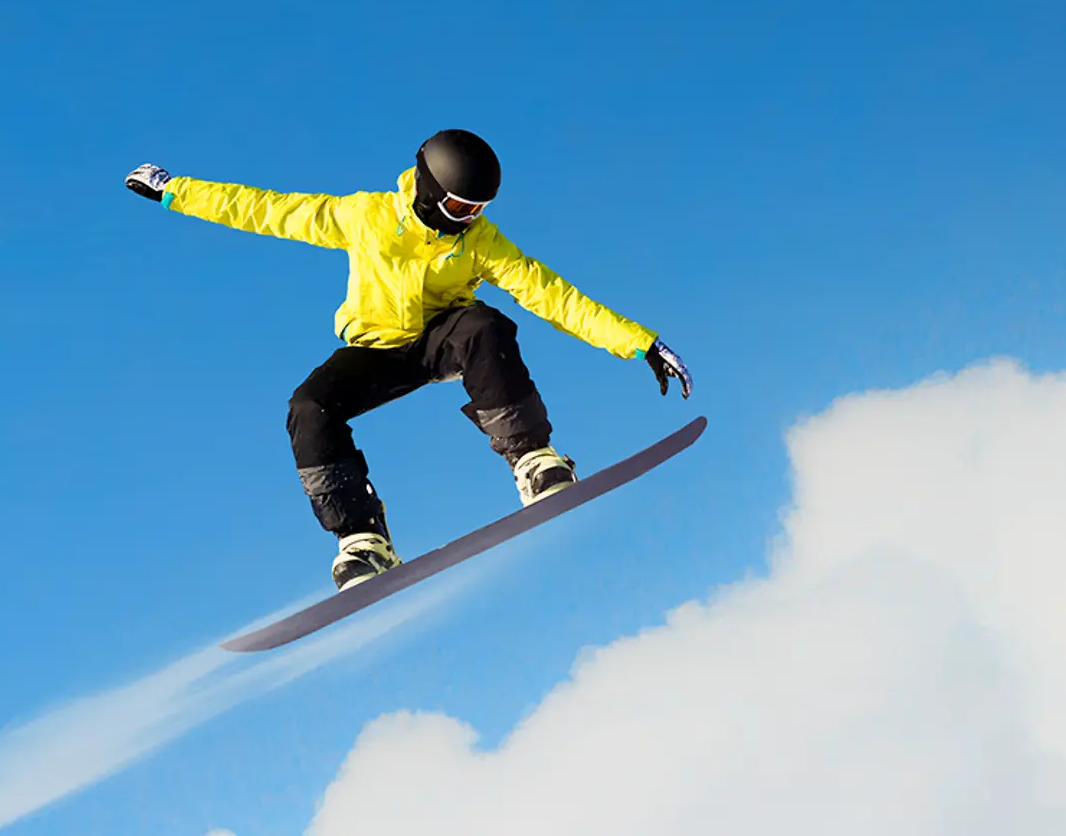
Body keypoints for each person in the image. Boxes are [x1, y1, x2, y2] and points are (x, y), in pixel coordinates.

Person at [125, 129, 692, 591]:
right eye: (458, 204)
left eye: (478, 208)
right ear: (426, 188)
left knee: (485, 324)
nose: (468, 217)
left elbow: (553, 295)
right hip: (374, 348)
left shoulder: (480, 242)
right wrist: (176, 190)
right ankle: (363, 539)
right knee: (309, 407)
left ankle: (534, 460)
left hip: (444, 337)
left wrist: (639, 341)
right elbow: (263, 210)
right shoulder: (364, 217)